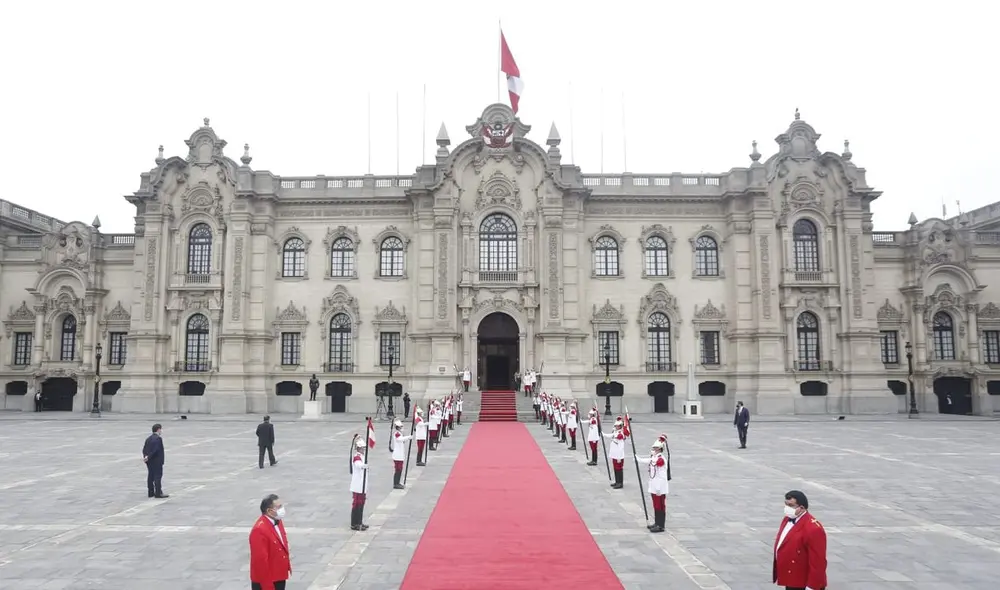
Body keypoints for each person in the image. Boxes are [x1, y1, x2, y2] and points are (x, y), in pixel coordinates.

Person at [773, 490, 827, 590]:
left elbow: (818, 562)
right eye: (786, 504)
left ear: (801, 508)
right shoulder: (787, 519)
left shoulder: (813, 529)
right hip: (792, 578)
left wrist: (812, 587)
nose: (787, 508)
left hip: (803, 582)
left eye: (790, 505)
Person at [249, 493, 291, 590]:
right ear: (269, 511)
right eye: (279, 507)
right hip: (268, 581)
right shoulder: (259, 530)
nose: (282, 509)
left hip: (279, 576)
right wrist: (267, 586)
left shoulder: (277, 520)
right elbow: (260, 562)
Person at [636, 439, 669, 533]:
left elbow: (656, 464)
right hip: (654, 486)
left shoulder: (661, 459)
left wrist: (659, 488)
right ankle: (656, 523)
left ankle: (660, 525)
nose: (654, 450)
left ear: (660, 449)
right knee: (656, 505)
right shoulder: (654, 458)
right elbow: (649, 461)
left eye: (656, 448)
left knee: (660, 506)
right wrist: (639, 459)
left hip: (660, 487)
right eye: (654, 448)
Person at [142, 423, 168, 498]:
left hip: (149, 461)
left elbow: (144, 449)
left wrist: (146, 457)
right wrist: (149, 456)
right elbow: (156, 450)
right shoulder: (158, 439)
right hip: (156, 460)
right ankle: (158, 492)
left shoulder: (148, 438)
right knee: (157, 476)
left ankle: (150, 492)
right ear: (158, 429)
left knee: (150, 476)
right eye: (161, 429)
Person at [349, 437, 370, 531]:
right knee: (357, 504)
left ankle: (360, 522)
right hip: (357, 485)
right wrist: (364, 466)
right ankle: (354, 523)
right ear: (358, 448)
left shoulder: (362, 456)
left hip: (362, 484)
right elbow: (358, 465)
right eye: (362, 448)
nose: (364, 450)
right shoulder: (356, 457)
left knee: (362, 503)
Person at [602, 418, 627, 489]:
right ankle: (617, 481)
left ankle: (620, 483)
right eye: (615, 426)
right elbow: (611, 435)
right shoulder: (616, 432)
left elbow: (621, 444)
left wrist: (619, 457)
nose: (615, 427)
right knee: (615, 468)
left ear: (620, 426)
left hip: (618, 455)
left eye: (617, 426)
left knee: (619, 469)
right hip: (614, 454)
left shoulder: (620, 433)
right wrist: (603, 434)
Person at [389, 419, 411, 489]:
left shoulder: (400, 433)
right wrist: (408, 437)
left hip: (400, 455)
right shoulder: (397, 434)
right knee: (398, 469)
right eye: (401, 427)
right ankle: (396, 483)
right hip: (397, 455)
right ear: (398, 427)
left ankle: (398, 482)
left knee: (400, 469)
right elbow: (400, 439)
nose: (402, 428)